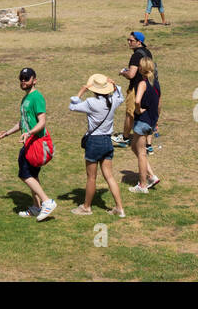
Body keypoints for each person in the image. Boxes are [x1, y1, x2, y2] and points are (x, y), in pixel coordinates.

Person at [0, 67, 57, 221]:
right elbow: (23, 122)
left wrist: (29, 133)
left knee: (24, 174)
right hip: (29, 141)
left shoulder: (37, 97)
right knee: (33, 176)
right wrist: (7, 133)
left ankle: (47, 201)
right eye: (21, 79)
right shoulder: (25, 99)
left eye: (27, 78)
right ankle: (36, 208)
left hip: (35, 142)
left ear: (34, 80)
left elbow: (42, 122)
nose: (23, 81)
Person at [69, 74, 126, 217]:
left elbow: (73, 106)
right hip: (107, 140)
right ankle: (119, 208)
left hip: (94, 142)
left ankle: (86, 207)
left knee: (91, 177)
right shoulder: (113, 100)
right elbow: (120, 95)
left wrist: (81, 91)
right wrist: (114, 84)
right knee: (110, 176)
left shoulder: (91, 102)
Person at [113, 32, 152, 148]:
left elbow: (131, 74)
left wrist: (123, 72)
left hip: (136, 88)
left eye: (131, 40)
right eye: (128, 40)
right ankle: (146, 140)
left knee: (130, 113)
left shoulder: (136, 56)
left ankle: (125, 138)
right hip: (147, 87)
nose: (129, 42)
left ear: (139, 42)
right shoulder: (147, 52)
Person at [128, 56, 161, 194]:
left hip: (143, 121)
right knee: (134, 147)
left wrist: (137, 110)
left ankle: (142, 185)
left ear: (142, 68)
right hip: (151, 120)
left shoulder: (143, 83)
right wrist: (156, 121)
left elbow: (137, 101)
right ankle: (151, 176)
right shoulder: (156, 84)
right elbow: (159, 105)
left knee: (141, 153)